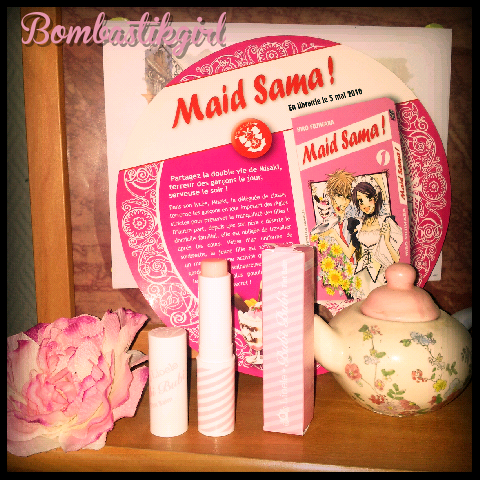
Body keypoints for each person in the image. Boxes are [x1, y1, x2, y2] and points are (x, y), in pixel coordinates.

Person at [322, 177, 403, 297]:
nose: (365, 204)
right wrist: (334, 234)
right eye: (360, 201)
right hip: (361, 274)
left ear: (375, 198)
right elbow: (349, 252)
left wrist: (386, 241)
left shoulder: (386, 221)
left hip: (381, 274)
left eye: (368, 198)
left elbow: (397, 259)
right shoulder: (357, 224)